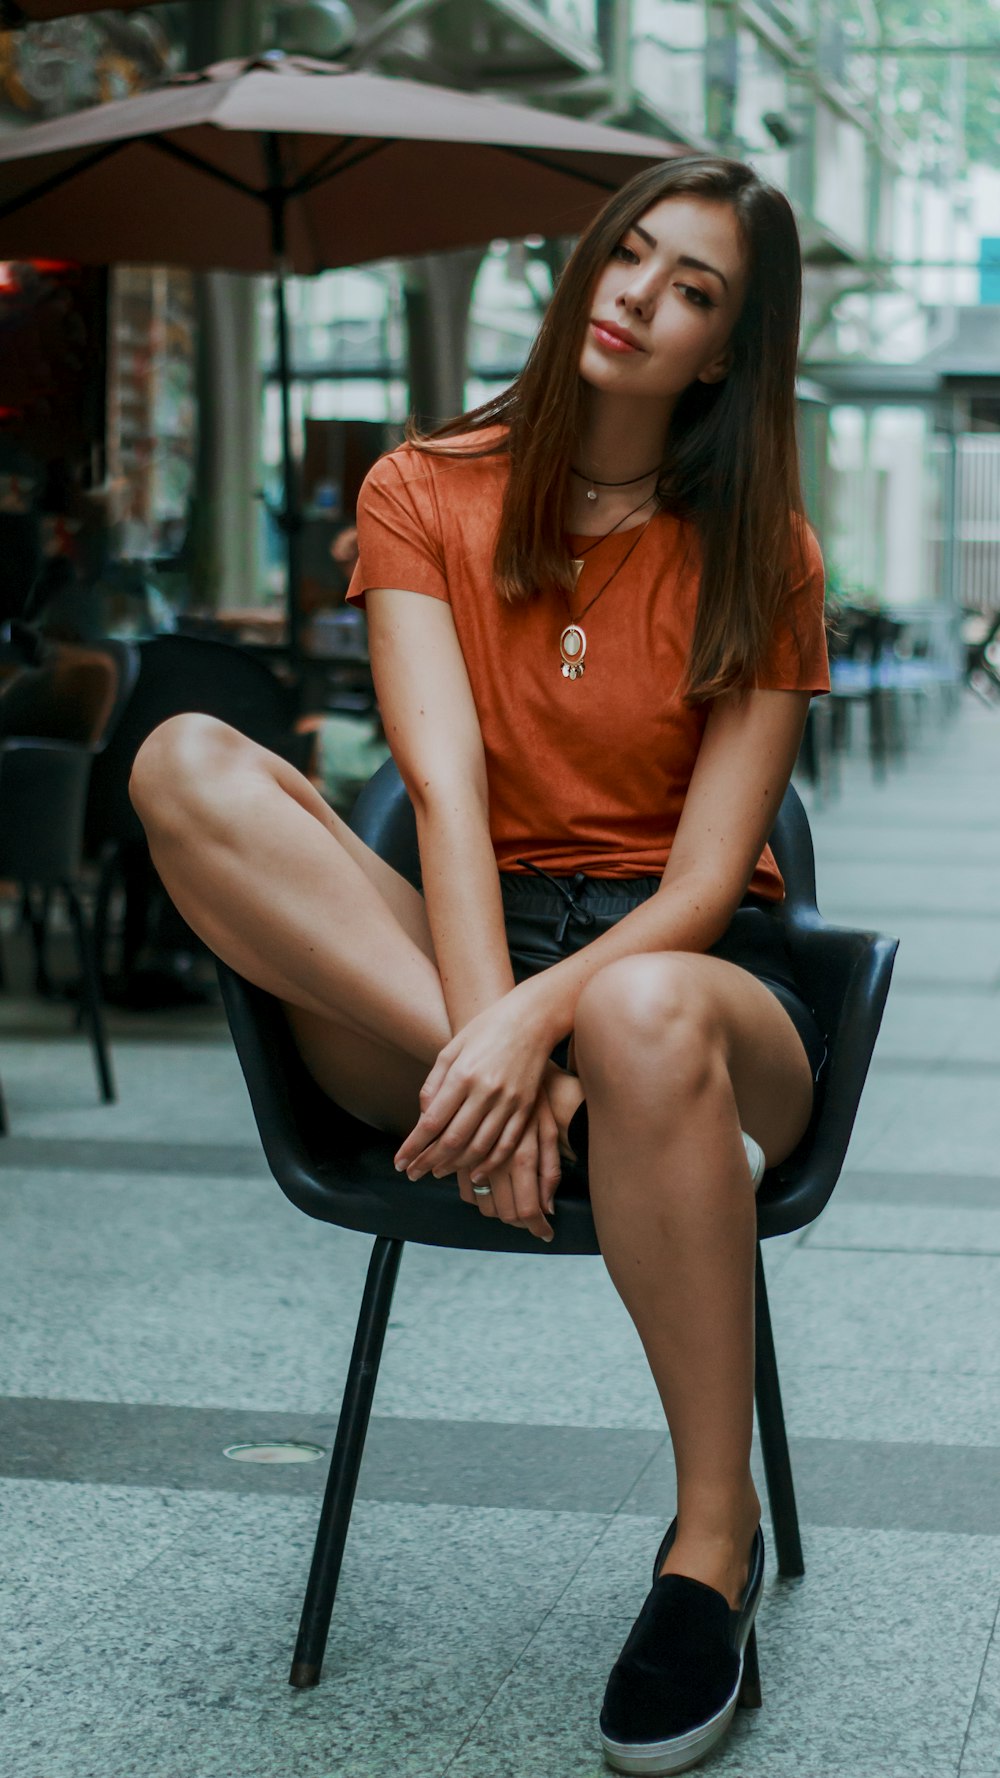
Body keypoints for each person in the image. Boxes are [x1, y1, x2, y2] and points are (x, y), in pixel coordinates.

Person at [129, 154, 829, 1775]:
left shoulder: (762, 546)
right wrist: (488, 1032)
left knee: (647, 1006)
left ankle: (705, 1551)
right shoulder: (425, 486)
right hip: (457, 957)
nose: (638, 297)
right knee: (180, 759)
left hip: (691, 981)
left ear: (723, 350)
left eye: (692, 290)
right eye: (628, 256)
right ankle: (539, 1099)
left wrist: (538, 1023)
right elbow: (443, 792)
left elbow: (713, 880)